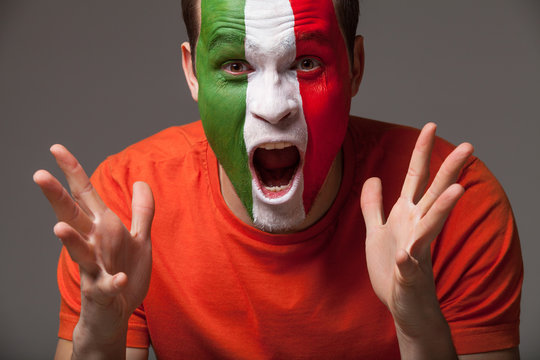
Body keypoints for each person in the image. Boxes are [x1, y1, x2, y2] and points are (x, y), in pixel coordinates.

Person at [34, 0, 522, 358]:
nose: (272, 107)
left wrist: (418, 329)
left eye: (306, 63)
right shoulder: (127, 204)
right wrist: (102, 332)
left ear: (355, 67)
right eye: (236, 66)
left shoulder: (451, 205)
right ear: (192, 73)